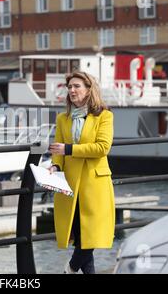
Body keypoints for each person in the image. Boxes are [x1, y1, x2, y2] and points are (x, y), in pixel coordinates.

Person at [48, 71, 115, 274]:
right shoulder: (63, 118)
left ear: (88, 90)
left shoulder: (104, 116)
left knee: (90, 238)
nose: (72, 90)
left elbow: (102, 148)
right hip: (69, 184)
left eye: (77, 86)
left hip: (94, 185)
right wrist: (55, 166)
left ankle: (69, 269)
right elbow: (57, 150)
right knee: (81, 236)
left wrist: (69, 150)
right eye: (69, 87)